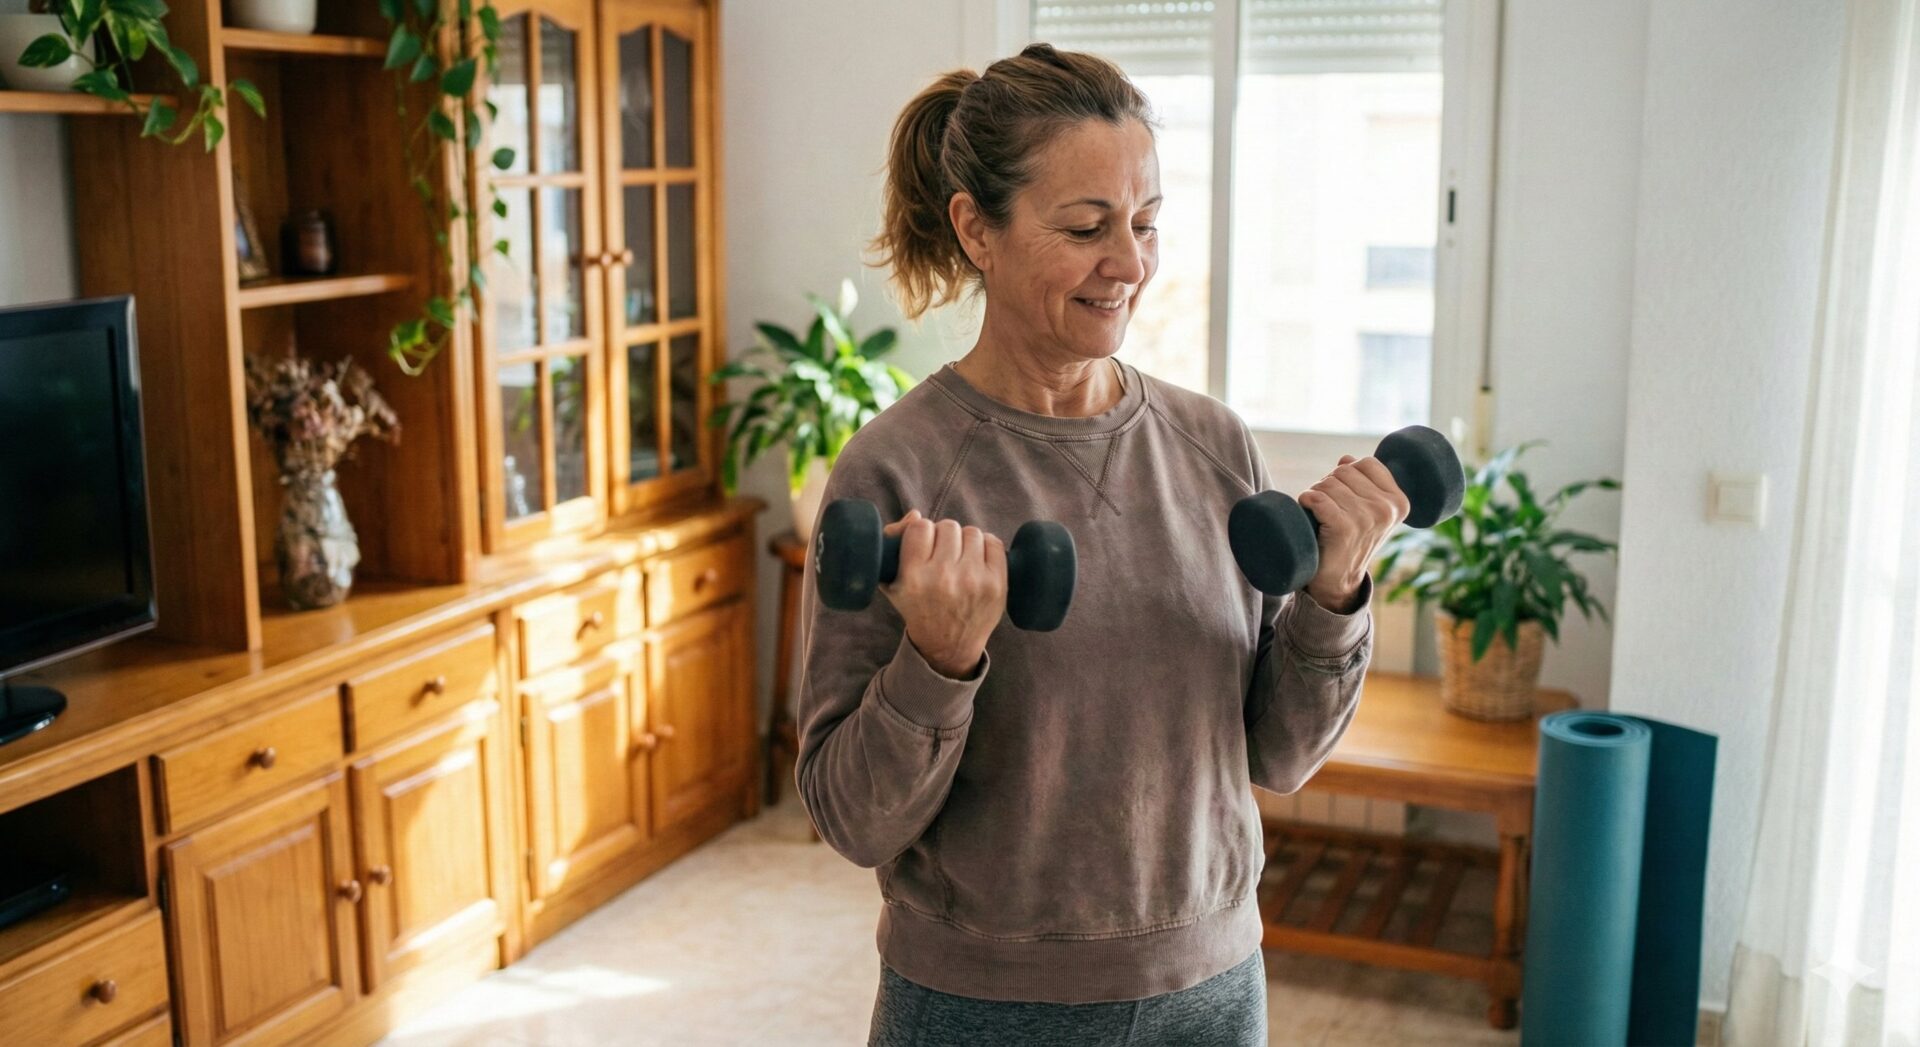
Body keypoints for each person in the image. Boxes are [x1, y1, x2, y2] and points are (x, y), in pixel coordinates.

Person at [793, 43, 1411, 1047]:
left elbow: (1282, 756)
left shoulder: (1216, 447)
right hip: (982, 1005)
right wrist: (939, 662)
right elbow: (850, 818)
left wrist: (1335, 595)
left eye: (1146, 222)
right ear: (975, 230)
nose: (1129, 263)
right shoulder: (897, 471)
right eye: (1085, 228)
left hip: (1211, 988)